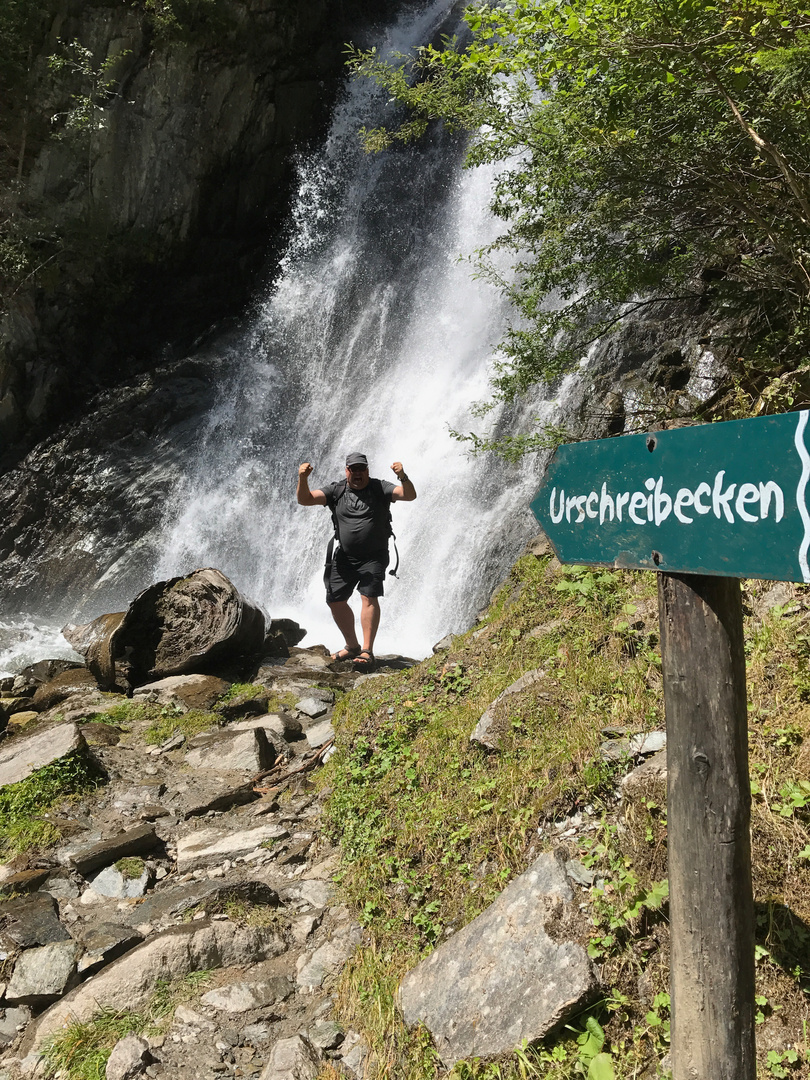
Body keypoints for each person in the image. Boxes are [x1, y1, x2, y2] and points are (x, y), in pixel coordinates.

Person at [297, 452, 416, 672]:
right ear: (347, 471)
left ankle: (367, 650)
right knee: (335, 600)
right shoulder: (337, 490)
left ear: (367, 470)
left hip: (374, 556)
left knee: (368, 597)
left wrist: (403, 476)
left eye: (362, 469)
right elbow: (305, 500)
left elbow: (409, 496)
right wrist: (303, 479)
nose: (358, 473)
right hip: (345, 556)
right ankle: (352, 646)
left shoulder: (380, 488)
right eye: (353, 469)